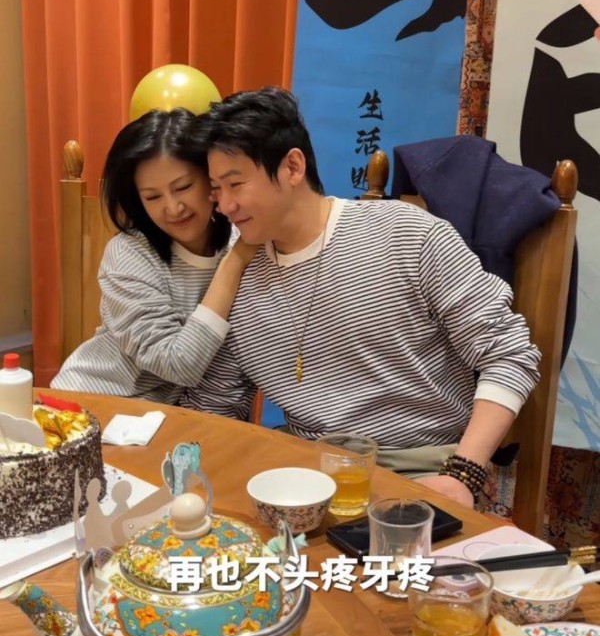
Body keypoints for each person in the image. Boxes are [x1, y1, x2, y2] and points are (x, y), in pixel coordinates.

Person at [183, 87, 541, 509]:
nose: (224, 205)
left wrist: (464, 472)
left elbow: (509, 354)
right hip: (304, 473)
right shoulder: (237, 272)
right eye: (216, 189)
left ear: (292, 167)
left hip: (422, 471)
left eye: (235, 184)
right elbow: (217, 402)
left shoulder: (406, 234)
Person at [51, 108, 255, 403]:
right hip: (92, 401)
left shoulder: (239, 240)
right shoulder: (129, 254)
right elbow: (179, 365)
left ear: (210, 178)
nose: (173, 208)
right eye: (153, 197)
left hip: (164, 416)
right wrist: (234, 263)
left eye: (183, 187)